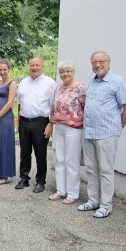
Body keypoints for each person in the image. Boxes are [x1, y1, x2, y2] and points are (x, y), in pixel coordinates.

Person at [79, 51, 126, 218]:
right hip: (89, 133)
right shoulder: (93, 82)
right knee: (91, 169)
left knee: (106, 170)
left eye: (101, 61)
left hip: (107, 134)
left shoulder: (118, 82)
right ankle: (93, 200)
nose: (98, 65)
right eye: (94, 62)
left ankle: (106, 205)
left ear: (109, 63)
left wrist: (116, 129)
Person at [15, 57, 57, 193]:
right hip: (24, 121)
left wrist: (50, 124)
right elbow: (20, 103)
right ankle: (24, 178)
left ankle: (40, 181)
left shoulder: (50, 83)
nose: (34, 68)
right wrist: (18, 121)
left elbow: (54, 106)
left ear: (42, 66)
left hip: (41, 122)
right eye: (32, 65)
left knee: (40, 152)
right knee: (24, 152)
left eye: (37, 65)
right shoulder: (23, 82)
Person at [48, 59, 86, 204]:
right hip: (59, 126)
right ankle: (60, 190)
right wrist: (51, 123)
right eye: (62, 72)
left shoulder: (80, 88)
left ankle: (72, 193)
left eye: (68, 71)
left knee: (72, 160)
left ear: (73, 72)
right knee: (60, 159)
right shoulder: (58, 88)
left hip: (74, 128)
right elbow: (53, 107)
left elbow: (85, 108)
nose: (65, 74)